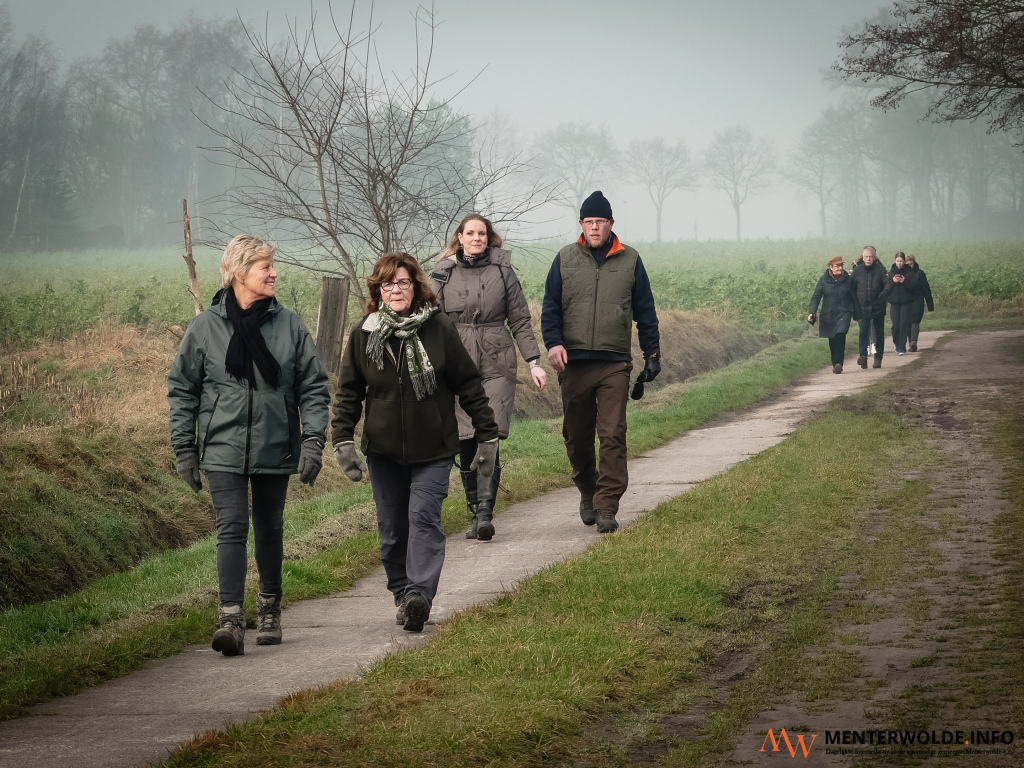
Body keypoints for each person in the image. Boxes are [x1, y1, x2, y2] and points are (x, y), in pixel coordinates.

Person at [168, 235, 330, 657]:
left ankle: (270, 608)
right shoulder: (205, 328)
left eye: (272, 266)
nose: (274, 273)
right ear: (239, 273)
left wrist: (313, 439)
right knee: (232, 526)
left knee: (269, 527)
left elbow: (313, 386)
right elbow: (183, 390)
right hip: (222, 445)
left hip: (275, 441)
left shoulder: (290, 325)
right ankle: (231, 618)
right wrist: (184, 447)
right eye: (265, 267)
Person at [331, 252, 499, 633]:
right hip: (383, 451)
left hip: (434, 448)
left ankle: (419, 594)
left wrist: (487, 435)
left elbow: (469, 385)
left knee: (423, 518)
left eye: (403, 282)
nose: (396, 290)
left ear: (416, 286)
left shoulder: (439, 328)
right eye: (388, 284)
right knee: (392, 531)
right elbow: (348, 393)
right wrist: (342, 439)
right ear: (378, 290)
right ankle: (403, 595)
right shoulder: (364, 334)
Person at [541, 190, 661, 534]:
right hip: (574, 362)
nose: (595, 227)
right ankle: (587, 489)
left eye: (601, 221)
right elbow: (550, 307)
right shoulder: (565, 258)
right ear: (581, 224)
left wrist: (652, 353)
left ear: (611, 223)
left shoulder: (630, 259)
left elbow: (645, 311)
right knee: (576, 437)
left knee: (612, 434)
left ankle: (607, 504)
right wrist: (553, 343)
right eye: (589, 222)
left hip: (614, 363)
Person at [431, 214, 546, 541]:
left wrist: (534, 362)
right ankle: (475, 511)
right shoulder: (443, 272)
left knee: (488, 433)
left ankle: (484, 512)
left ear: (488, 237)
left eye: (482, 233)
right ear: (460, 237)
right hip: (457, 360)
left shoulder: (503, 270)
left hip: (497, 360)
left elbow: (520, 319)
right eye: (471, 233)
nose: (477, 238)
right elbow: (430, 320)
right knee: (466, 435)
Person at [808, 256, 861, 374]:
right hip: (828, 313)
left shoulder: (849, 280)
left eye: (841, 265)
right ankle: (835, 363)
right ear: (830, 267)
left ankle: (839, 364)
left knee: (840, 334)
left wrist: (858, 316)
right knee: (832, 339)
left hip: (844, 312)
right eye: (837, 266)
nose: (840, 268)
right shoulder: (823, 280)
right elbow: (816, 297)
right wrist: (812, 312)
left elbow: (854, 299)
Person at [850, 245, 890, 369]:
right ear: (863, 257)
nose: (868, 259)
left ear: (874, 257)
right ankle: (863, 356)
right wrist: (853, 304)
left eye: (870, 257)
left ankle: (878, 358)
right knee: (863, 332)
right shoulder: (857, 271)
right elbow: (851, 288)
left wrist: (884, 293)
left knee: (879, 334)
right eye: (866, 257)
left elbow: (888, 284)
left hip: (878, 306)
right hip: (863, 307)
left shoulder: (881, 270)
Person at [886, 251, 917, 355]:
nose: (899, 263)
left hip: (906, 302)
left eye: (901, 261)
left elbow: (913, 286)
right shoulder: (891, 273)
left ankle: (902, 347)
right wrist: (893, 281)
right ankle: (897, 343)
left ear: (904, 261)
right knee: (895, 326)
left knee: (904, 324)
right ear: (895, 261)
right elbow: (887, 286)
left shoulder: (909, 272)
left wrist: (904, 281)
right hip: (894, 302)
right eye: (897, 261)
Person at [905, 254, 934, 352]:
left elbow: (926, 289)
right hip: (906, 300)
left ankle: (913, 342)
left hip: (918, 299)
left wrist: (930, 305)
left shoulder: (920, 273)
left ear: (914, 263)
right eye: (907, 264)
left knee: (915, 320)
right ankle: (911, 343)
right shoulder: (902, 274)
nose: (910, 266)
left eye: (911, 264)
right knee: (908, 322)